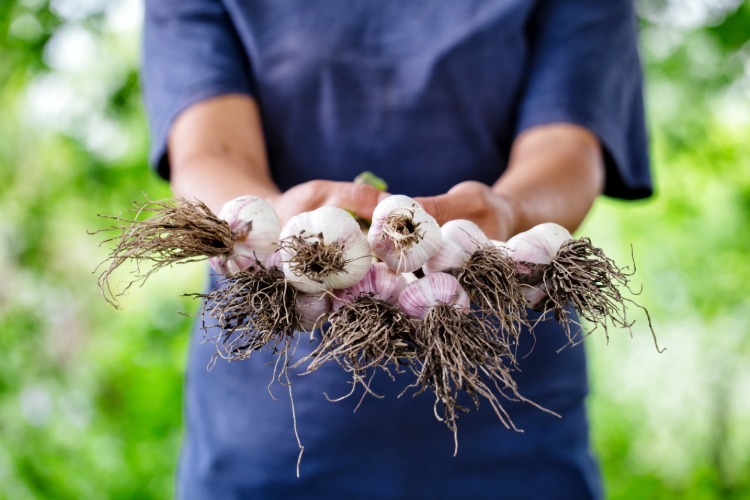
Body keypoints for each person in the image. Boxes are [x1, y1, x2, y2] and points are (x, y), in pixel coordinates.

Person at [142, 0, 652, 498]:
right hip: (269, 427)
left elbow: (567, 148)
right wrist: (269, 221)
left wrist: (510, 212)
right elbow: (210, 149)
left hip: (511, 414)